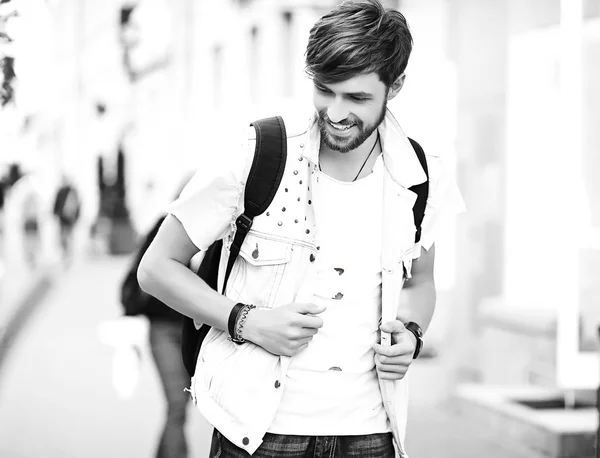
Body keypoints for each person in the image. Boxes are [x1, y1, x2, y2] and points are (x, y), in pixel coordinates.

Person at [138, 1, 464, 457]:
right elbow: (156, 268)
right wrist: (246, 321)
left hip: (371, 435)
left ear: (397, 86)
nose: (335, 112)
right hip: (260, 433)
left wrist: (411, 333)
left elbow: (422, 282)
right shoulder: (259, 152)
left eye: (357, 98)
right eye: (325, 90)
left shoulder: (422, 175)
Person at [121, 180, 192, 458]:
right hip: (163, 328)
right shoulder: (165, 228)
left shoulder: (218, 236)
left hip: (194, 330)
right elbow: (141, 271)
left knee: (181, 406)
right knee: (177, 405)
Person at [52, 175, 81, 264]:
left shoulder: (71, 192)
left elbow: (77, 205)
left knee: (66, 236)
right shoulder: (65, 191)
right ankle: (66, 254)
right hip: (64, 217)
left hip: (68, 218)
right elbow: (56, 204)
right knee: (64, 236)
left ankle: (67, 254)